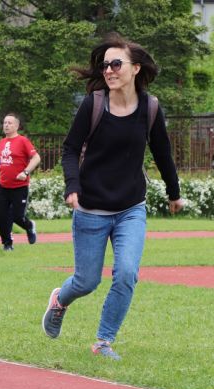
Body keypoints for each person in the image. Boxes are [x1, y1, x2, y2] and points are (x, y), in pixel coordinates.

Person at [41, 33, 184, 360]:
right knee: (86, 281)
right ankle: (60, 300)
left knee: (127, 273)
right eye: (105, 65)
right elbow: (69, 150)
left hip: (131, 208)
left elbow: (163, 153)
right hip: (91, 208)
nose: (109, 70)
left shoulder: (150, 107)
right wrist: (71, 185)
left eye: (116, 63)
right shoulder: (93, 104)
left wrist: (174, 194)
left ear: (135, 69)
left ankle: (103, 341)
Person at [0, 113, 41, 251]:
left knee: (18, 217)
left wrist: (25, 172)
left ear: (17, 126)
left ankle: (29, 226)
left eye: (9, 123)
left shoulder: (23, 141)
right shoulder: (2, 142)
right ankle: (7, 244)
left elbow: (36, 158)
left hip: (19, 187)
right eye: (5, 122)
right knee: (1, 216)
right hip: (3, 185)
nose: (6, 125)